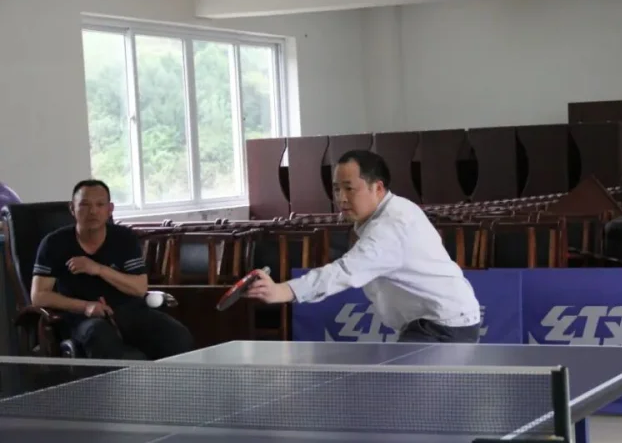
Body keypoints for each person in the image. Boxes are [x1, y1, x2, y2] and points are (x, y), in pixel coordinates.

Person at [247, 149, 483, 343]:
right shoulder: (390, 211)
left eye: (349, 188)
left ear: (377, 188)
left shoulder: (392, 226)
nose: (341, 198)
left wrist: (284, 291)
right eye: (337, 189)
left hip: (443, 326)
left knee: (400, 386)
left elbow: (345, 271)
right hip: (434, 322)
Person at [30, 179, 194, 359]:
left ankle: (170, 379)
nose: (93, 211)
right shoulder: (54, 243)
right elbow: (39, 296)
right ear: (72, 208)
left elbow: (139, 288)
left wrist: (98, 269)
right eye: (84, 205)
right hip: (83, 318)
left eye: (100, 205)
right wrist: (85, 306)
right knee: (101, 337)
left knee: (178, 336)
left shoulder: (124, 238)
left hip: (129, 312)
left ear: (110, 209)